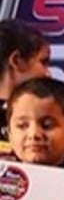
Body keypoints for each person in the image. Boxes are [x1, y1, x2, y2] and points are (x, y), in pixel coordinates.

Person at [0, 19, 50, 157]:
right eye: (43, 62)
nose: (48, 74)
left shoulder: (51, 117)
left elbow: (61, 176)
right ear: (16, 60)